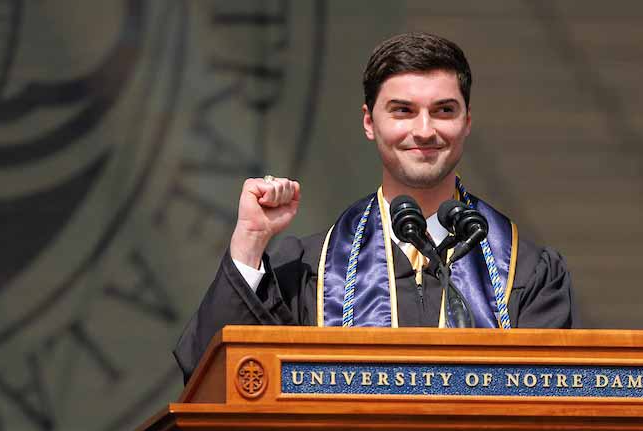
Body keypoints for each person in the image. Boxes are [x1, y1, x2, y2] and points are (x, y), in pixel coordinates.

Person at [174, 32, 578, 383]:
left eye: (444, 110)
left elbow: (551, 418)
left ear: (467, 121)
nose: (424, 130)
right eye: (402, 110)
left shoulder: (524, 272)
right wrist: (250, 242)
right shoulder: (307, 271)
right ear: (369, 122)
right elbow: (211, 375)